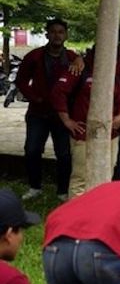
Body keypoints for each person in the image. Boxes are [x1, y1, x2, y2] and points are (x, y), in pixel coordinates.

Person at [15, 18, 81, 201]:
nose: (57, 35)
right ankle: (34, 186)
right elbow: (21, 80)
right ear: (47, 34)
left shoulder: (71, 57)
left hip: (62, 114)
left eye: (61, 32)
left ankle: (62, 190)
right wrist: (34, 97)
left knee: (64, 153)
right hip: (38, 113)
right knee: (32, 149)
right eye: (53, 32)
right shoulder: (34, 56)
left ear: (66, 35)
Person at [50, 49, 120, 198]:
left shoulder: (114, 74)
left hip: (110, 134)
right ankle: (76, 213)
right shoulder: (80, 69)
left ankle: (98, 212)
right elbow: (58, 93)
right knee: (81, 177)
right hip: (83, 133)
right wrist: (67, 120)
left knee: (106, 174)